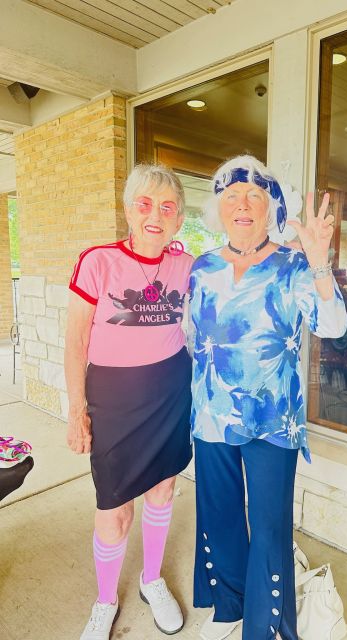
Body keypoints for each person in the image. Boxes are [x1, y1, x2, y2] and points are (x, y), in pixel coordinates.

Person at [188, 155, 347, 640]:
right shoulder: (202, 267)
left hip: (274, 419)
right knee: (219, 513)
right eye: (232, 196)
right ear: (218, 209)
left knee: (270, 523)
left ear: (270, 208)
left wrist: (318, 260)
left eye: (254, 196)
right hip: (211, 414)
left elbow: (333, 326)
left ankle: (265, 626)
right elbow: (191, 336)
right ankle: (230, 608)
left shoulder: (294, 266)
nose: (242, 204)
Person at [65, 164, 193, 640]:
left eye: (167, 207)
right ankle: (104, 601)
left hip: (170, 394)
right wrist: (77, 411)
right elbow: (76, 342)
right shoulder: (98, 261)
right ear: (128, 210)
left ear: (179, 219)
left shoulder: (187, 265)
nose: (155, 215)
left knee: (162, 490)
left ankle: (151, 579)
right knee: (114, 509)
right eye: (145, 204)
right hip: (114, 402)